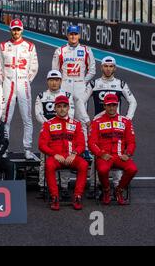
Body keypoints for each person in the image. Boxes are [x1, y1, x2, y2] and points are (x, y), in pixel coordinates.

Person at [77, 55, 137, 189]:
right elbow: (80, 101)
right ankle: (94, 185)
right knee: (97, 154)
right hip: (98, 123)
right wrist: (87, 120)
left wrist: (128, 118)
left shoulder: (121, 84)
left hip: (117, 123)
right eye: (105, 66)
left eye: (111, 66)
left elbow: (133, 101)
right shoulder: (94, 83)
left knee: (117, 151)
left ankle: (117, 185)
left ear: (115, 68)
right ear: (101, 67)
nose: (108, 69)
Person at [0, 19, 39, 159]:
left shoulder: (30, 46)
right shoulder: (3, 46)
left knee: (27, 118)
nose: (16, 32)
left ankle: (27, 148)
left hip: (23, 84)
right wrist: (4, 81)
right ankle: (4, 148)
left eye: (18, 29)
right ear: (10, 30)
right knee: (5, 118)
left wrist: (26, 80)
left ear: (22, 30)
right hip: (8, 84)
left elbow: (34, 67)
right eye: (14, 29)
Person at [52, 25, 96, 158]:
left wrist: (83, 81)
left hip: (80, 86)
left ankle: (85, 149)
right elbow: (55, 71)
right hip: (65, 86)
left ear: (79, 35)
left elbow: (92, 70)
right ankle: (67, 148)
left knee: (81, 118)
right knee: (66, 118)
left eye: (75, 34)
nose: (73, 36)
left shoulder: (86, 50)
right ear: (67, 35)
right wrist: (61, 84)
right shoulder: (60, 51)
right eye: (71, 34)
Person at [38, 95, 89, 211]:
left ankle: (77, 196)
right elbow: (41, 145)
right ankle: (54, 197)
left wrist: (75, 153)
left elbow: (81, 143)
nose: (62, 109)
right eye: (59, 106)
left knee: (84, 165)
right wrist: (54, 154)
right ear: (55, 108)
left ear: (68, 108)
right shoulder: (48, 124)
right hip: (56, 158)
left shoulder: (76, 124)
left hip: (72, 157)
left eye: (64, 106)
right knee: (49, 165)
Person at [88, 94, 138, 205]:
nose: (112, 108)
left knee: (133, 169)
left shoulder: (126, 122)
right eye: (109, 105)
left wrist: (128, 153)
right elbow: (91, 143)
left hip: (120, 156)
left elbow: (131, 142)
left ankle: (119, 191)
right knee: (102, 170)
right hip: (104, 156)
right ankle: (106, 190)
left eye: (114, 105)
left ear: (117, 105)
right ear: (104, 106)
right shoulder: (97, 122)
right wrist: (100, 154)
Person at [34, 70, 75, 198]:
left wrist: (59, 125)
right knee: (44, 160)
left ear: (60, 81)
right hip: (48, 132)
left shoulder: (68, 95)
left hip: (65, 132)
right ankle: (43, 186)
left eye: (56, 80)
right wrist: (51, 126)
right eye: (51, 80)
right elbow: (38, 114)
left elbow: (71, 113)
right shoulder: (41, 96)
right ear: (47, 82)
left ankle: (64, 187)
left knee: (65, 160)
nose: (54, 83)